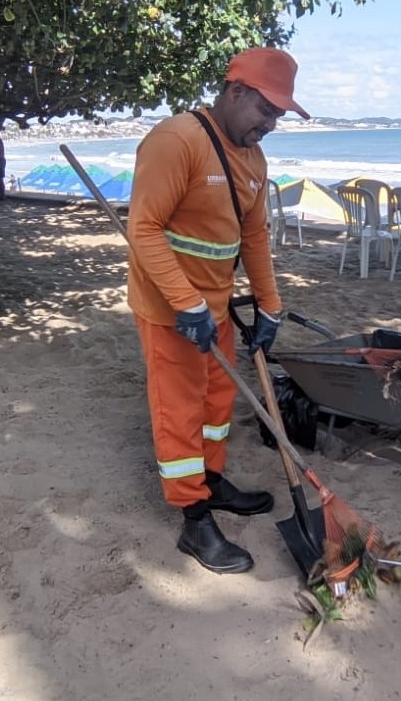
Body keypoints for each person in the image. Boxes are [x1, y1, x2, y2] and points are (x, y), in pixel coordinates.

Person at [126, 47, 310, 575]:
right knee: (179, 408)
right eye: (265, 110)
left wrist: (271, 306)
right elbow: (143, 228)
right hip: (169, 308)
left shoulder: (253, 158)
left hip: (216, 305)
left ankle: (211, 478)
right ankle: (193, 517)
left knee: (217, 398)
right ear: (235, 92)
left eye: (278, 115)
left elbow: (253, 235)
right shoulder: (176, 140)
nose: (270, 124)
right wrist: (184, 303)